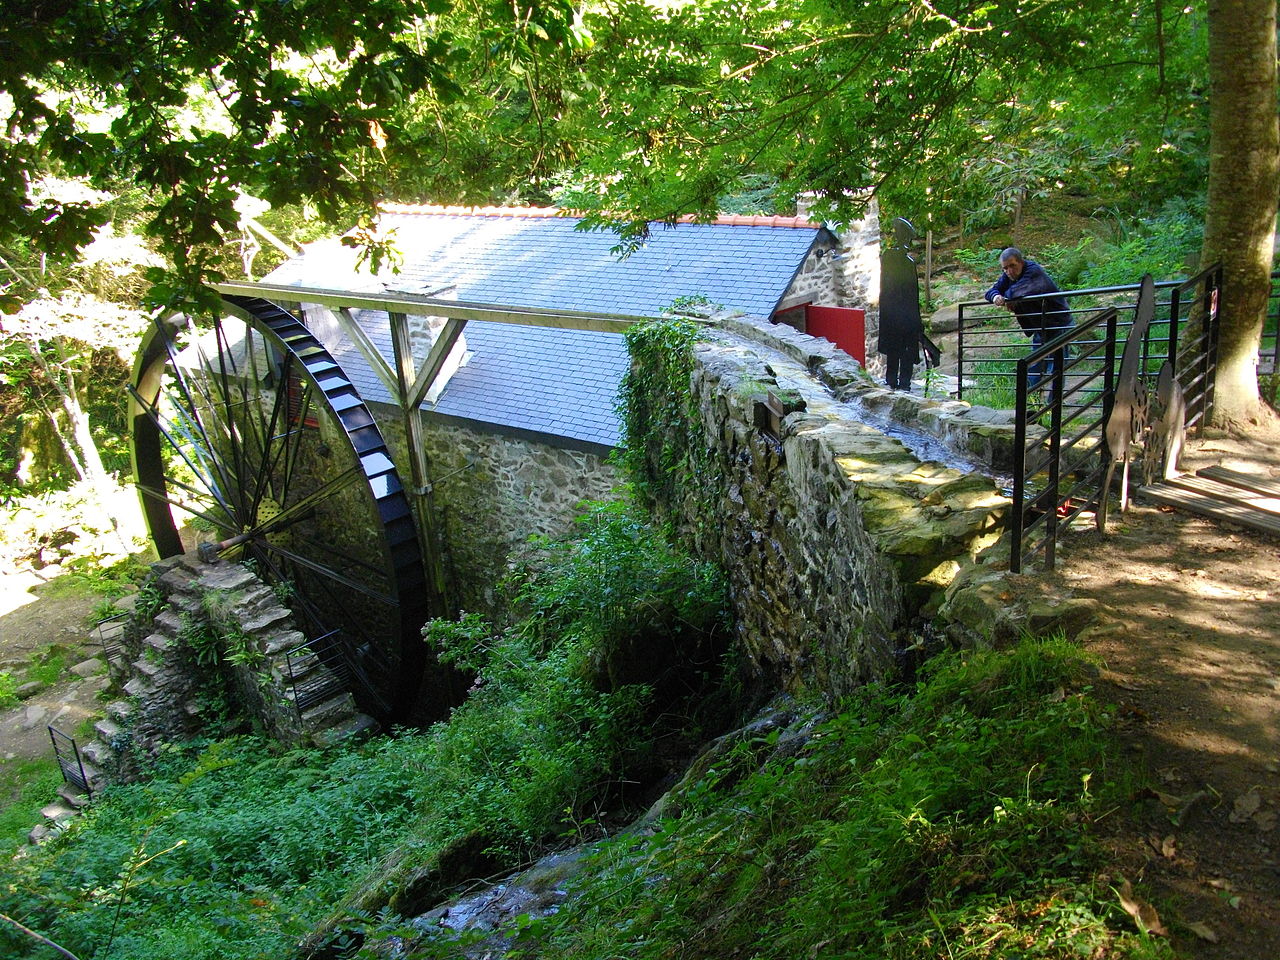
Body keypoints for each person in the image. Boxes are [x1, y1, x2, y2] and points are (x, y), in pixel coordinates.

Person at [984, 247, 1073, 397]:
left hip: (1058, 323)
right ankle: (1031, 402)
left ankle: (1053, 406)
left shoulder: (1033, 271)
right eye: (1005, 268)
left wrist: (1006, 297)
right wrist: (996, 297)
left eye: (1012, 266)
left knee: (1057, 366)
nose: (1009, 271)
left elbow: (1021, 290)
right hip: (1040, 325)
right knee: (1034, 365)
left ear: (1021, 262)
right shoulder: (1008, 275)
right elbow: (991, 291)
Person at [878, 218, 924, 391]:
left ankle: (897, 381)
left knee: (898, 349)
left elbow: (911, 293)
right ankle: (899, 381)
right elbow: (911, 294)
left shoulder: (893, 259)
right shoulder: (898, 260)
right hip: (901, 314)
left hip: (896, 314)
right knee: (900, 348)